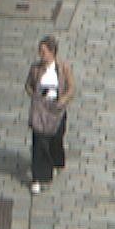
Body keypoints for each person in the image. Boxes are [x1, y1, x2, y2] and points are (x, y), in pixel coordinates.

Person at [25, 35, 75, 194]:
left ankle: (56, 162)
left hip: (56, 110)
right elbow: (28, 85)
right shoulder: (35, 69)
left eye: (44, 51)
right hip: (40, 110)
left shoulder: (63, 68)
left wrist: (63, 100)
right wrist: (35, 96)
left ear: (52, 52)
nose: (41, 55)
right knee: (39, 143)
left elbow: (71, 87)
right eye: (40, 51)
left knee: (55, 139)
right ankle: (38, 177)